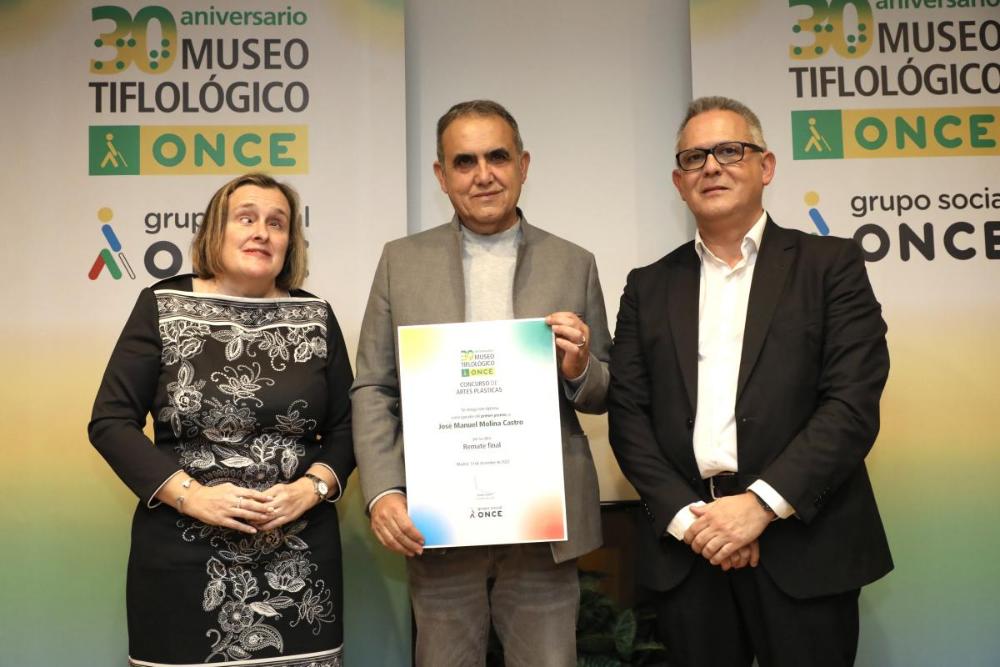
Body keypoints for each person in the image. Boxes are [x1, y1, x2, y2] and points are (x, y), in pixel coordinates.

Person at [607, 96, 892, 667]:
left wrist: (758, 507)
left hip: (805, 548)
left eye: (729, 150)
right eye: (694, 157)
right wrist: (695, 522)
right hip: (690, 552)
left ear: (766, 166)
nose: (711, 166)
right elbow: (628, 418)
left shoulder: (831, 266)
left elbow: (851, 404)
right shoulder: (648, 286)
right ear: (678, 180)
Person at [352, 99, 611, 666]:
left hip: (544, 525)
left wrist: (579, 369)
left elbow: (604, 389)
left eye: (497, 157)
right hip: (438, 520)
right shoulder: (401, 260)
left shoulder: (574, 261)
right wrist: (384, 490)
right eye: (464, 162)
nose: (484, 174)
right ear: (442, 177)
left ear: (523, 164)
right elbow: (373, 386)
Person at [89, 173, 354, 667]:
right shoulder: (161, 306)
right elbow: (111, 421)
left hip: (299, 567)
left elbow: (347, 428)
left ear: (290, 241)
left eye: (277, 223)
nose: (262, 232)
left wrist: (310, 489)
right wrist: (193, 497)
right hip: (181, 562)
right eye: (246, 218)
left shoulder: (316, 316)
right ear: (216, 231)